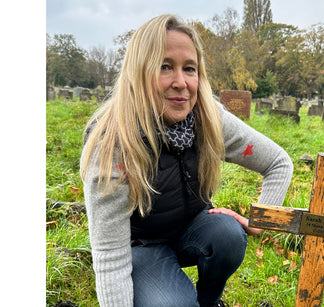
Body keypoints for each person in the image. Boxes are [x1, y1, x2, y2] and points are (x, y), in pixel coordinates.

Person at [80, 14, 293, 307]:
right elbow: (109, 257)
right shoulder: (112, 144)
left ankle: (209, 302)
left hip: (189, 230)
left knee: (228, 236)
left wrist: (260, 222)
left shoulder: (207, 117)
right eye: (164, 67)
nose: (181, 83)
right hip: (140, 247)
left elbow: (278, 163)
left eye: (189, 69)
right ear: (138, 72)